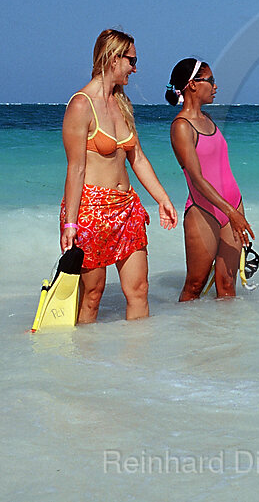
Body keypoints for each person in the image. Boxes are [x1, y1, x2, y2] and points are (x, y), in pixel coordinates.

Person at [60, 29, 178, 323]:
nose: (135, 69)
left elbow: (136, 157)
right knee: (92, 295)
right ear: (113, 58)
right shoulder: (81, 105)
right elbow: (75, 168)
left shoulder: (121, 103)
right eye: (132, 61)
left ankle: (137, 364)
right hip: (90, 210)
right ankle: (83, 361)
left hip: (126, 209)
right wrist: (71, 223)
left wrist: (162, 199)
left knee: (139, 289)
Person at [166, 58, 255, 300]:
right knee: (195, 285)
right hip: (203, 211)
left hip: (233, 205)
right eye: (211, 81)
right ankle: (189, 336)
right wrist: (231, 213)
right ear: (192, 85)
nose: (215, 87)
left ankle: (224, 337)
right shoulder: (181, 127)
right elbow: (196, 178)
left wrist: (234, 211)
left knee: (227, 287)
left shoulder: (208, 119)